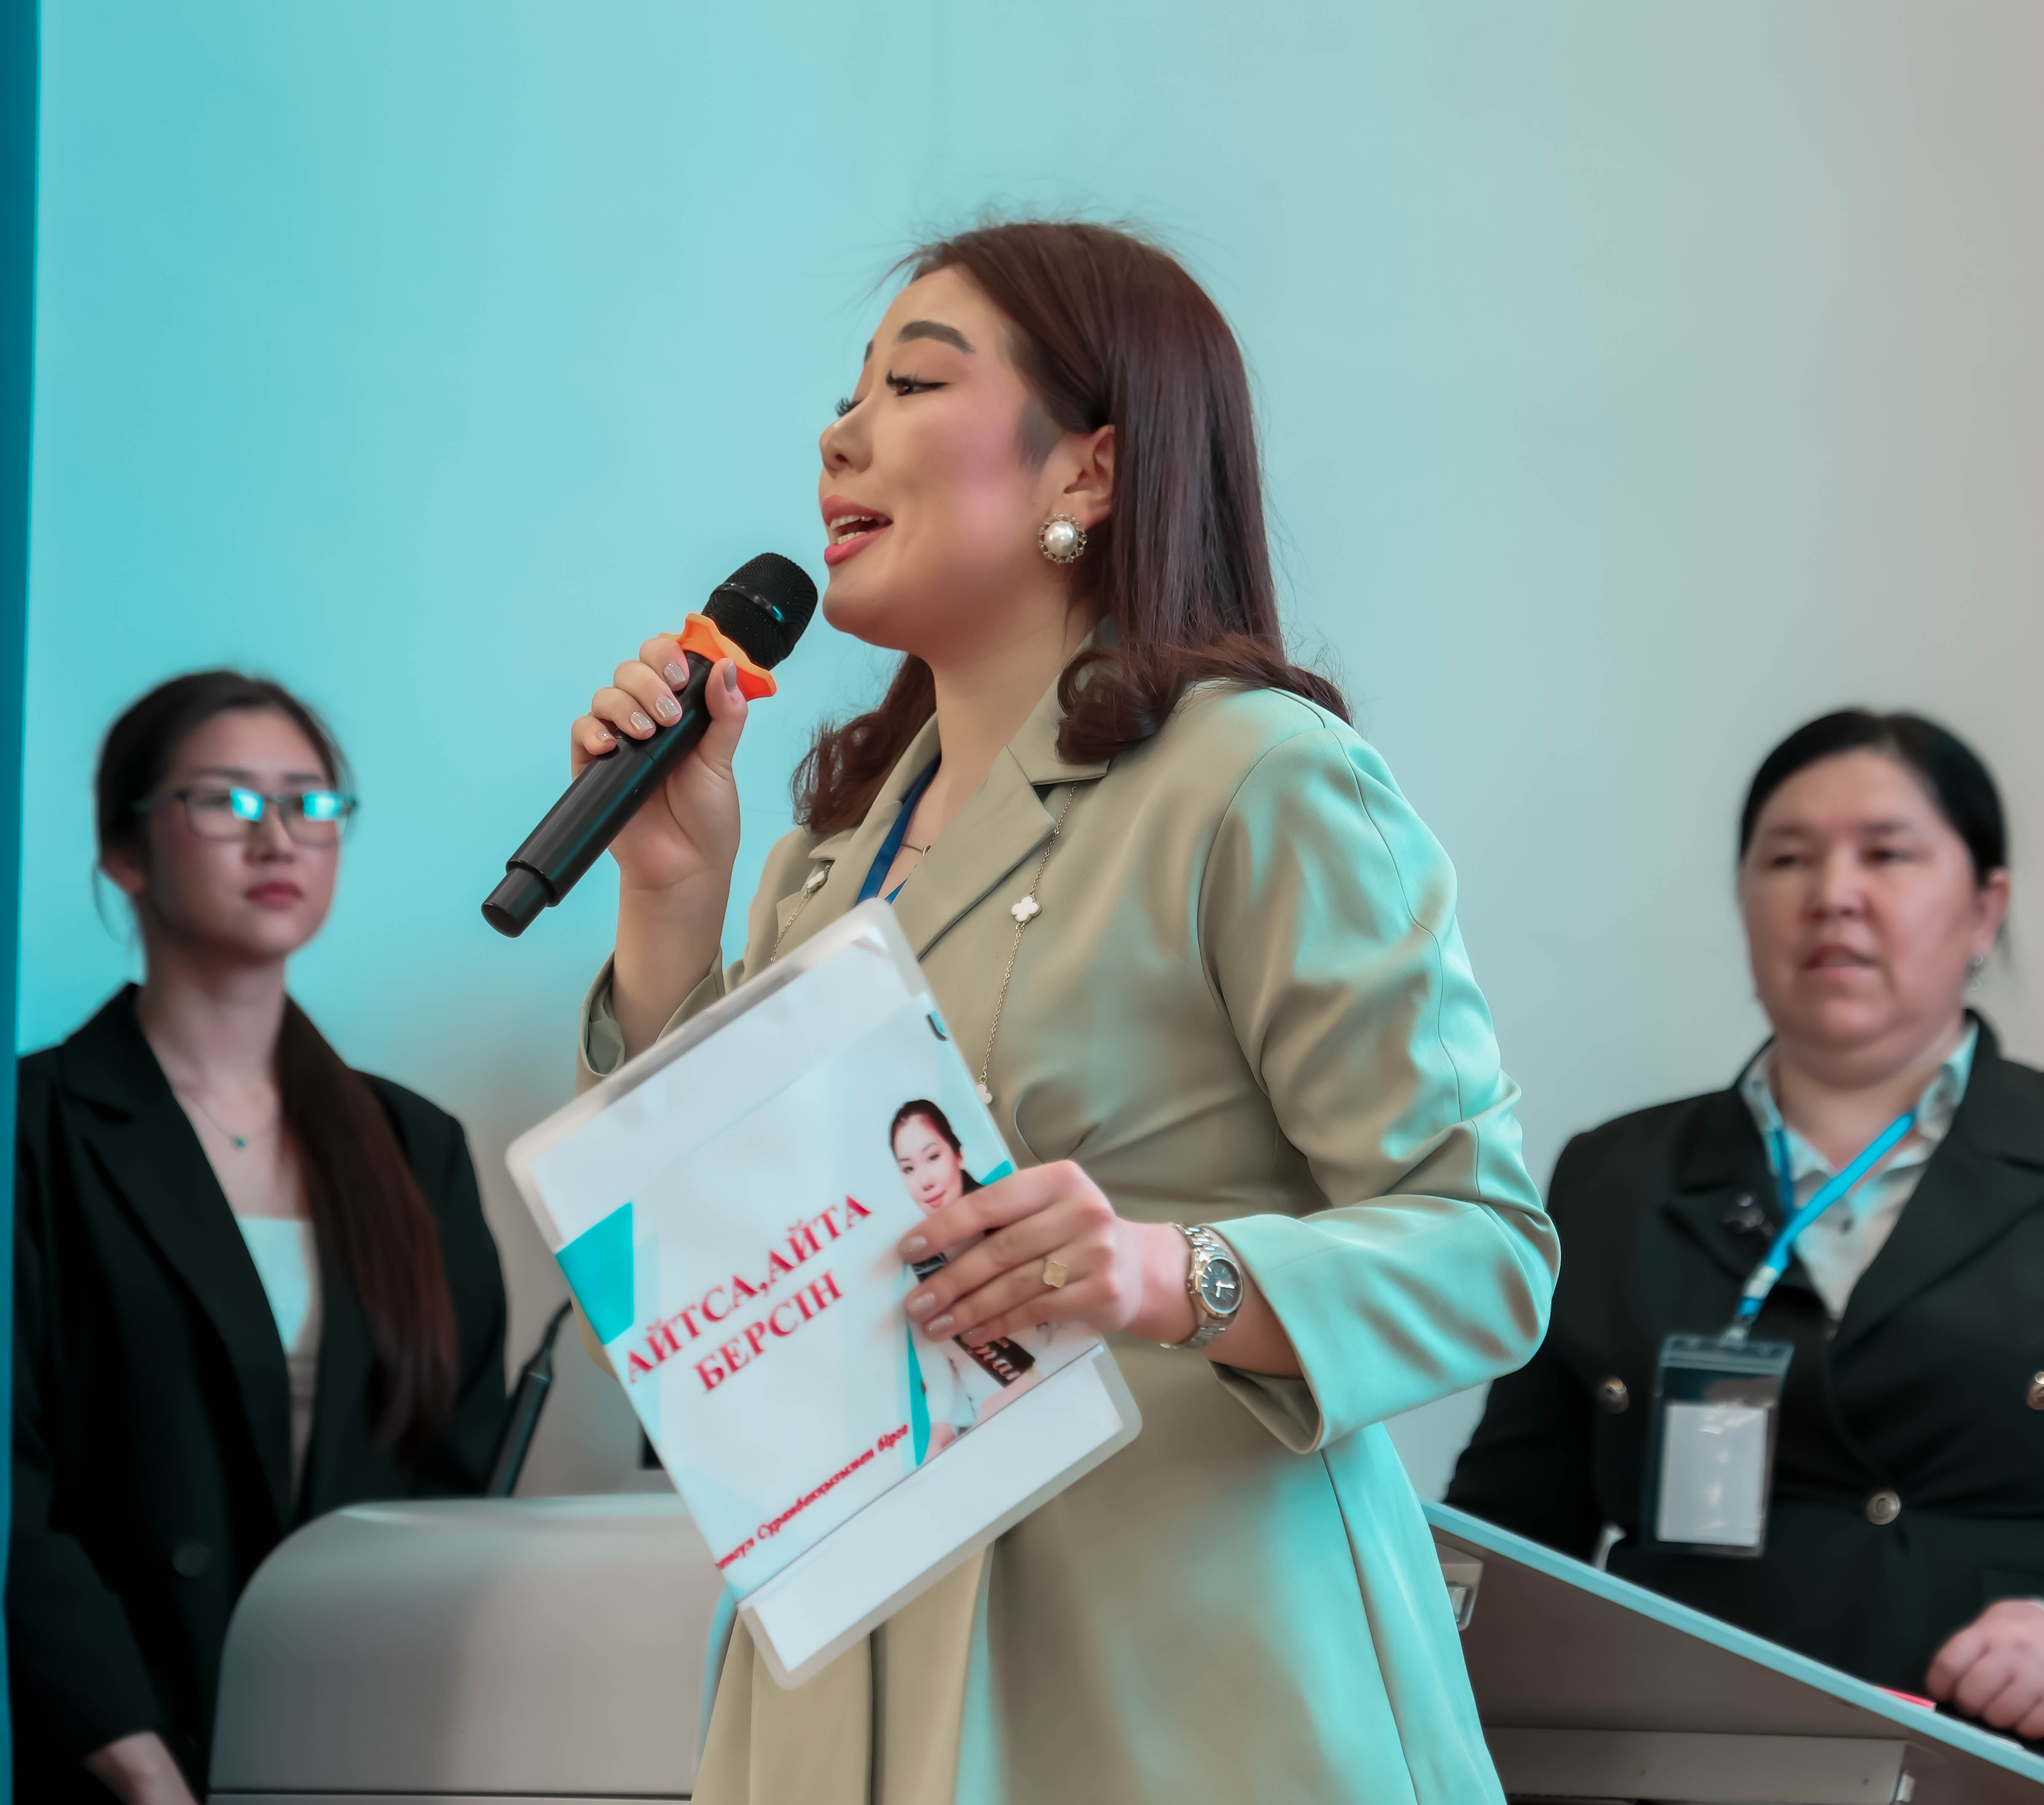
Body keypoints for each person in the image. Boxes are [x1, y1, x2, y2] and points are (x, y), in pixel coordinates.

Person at [572, 218, 1557, 1804]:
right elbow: (718, 1275)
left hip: (1172, 1685)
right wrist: (670, 892)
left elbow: (1484, 1250)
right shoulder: (828, 855)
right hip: (844, 1670)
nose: (840, 435)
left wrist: (1169, 1273)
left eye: (910, 385)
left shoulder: (1254, 779)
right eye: (846, 394)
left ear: (1088, 472)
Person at [1448, 710, 2044, 1744]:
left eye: (1886, 853)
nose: (1832, 894)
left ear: (1984, 909)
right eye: (1786, 858)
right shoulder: (1614, 1174)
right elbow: (1506, 1536)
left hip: (1991, 1762)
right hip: (1676, 1759)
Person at [11, 672, 510, 1805]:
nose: (278, 835)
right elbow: (9, 1483)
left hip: (356, 1753)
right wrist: (139, 1763)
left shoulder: (413, 1144)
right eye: (228, 800)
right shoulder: (32, 1129)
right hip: (107, 1755)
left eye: (310, 803)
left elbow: (458, 1471)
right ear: (124, 850)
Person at [892, 1099, 1045, 1453]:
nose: (925, 1181)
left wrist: (1024, 1387)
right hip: (993, 1439)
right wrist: (941, 1431)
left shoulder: (1015, 1220)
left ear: (958, 1155)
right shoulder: (914, 1274)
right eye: (908, 1169)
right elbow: (942, 1387)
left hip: (1064, 1396)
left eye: (933, 1157)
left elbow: (1075, 1328)